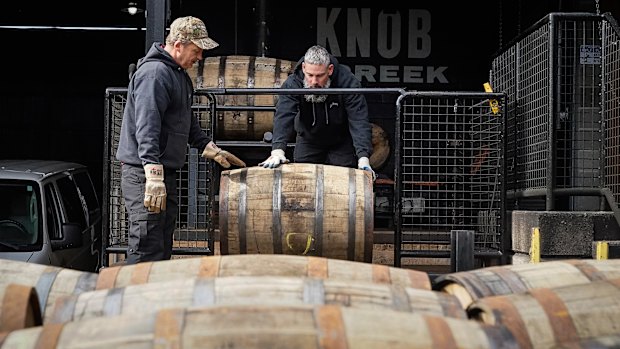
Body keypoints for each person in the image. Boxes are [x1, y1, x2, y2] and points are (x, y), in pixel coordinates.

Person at [116, 16, 245, 264]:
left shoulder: (178, 75)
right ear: (178, 45)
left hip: (164, 173)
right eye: (196, 51)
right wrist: (153, 172)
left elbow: (184, 118)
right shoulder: (154, 75)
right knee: (147, 245)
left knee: (161, 246)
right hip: (144, 174)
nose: (200, 58)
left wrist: (206, 145)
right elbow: (147, 125)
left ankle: (152, 299)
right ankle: (133, 300)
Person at [259, 45, 375, 179]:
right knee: (303, 181)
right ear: (303, 68)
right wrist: (278, 151)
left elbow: (358, 119)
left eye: (320, 76)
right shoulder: (293, 82)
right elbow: (284, 115)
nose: (314, 82)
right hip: (308, 138)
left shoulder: (348, 82)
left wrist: (363, 158)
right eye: (310, 75)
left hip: (341, 141)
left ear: (330, 70)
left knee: (341, 182)